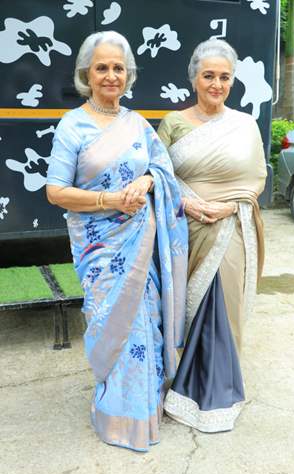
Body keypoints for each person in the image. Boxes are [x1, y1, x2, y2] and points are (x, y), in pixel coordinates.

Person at [46, 31, 188, 452]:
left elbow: (163, 172)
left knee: (143, 325)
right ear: (87, 74)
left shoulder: (138, 124)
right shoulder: (73, 125)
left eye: (118, 68)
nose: (111, 76)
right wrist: (109, 200)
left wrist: (146, 180)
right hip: (100, 248)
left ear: (129, 75)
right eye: (102, 68)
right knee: (112, 325)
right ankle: (115, 413)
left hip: (142, 244)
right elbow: (55, 192)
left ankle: (145, 410)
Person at [157, 39, 267, 433]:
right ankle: (184, 381)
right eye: (209, 76)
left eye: (224, 77)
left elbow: (257, 177)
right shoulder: (173, 123)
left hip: (232, 228)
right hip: (186, 230)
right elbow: (159, 177)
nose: (217, 84)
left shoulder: (244, 124)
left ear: (232, 80)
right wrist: (188, 205)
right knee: (190, 307)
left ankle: (220, 388)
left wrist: (232, 207)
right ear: (194, 79)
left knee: (223, 306)